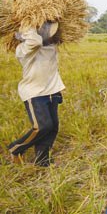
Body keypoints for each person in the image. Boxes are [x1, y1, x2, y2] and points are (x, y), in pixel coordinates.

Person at [8, 21, 63, 166]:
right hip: (34, 93)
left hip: (52, 91)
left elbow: (50, 37)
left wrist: (49, 23)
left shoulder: (50, 46)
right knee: (42, 126)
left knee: (52, 127)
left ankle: (42, 160)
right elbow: (35, 40)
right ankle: (15, 149)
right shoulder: (23, 49)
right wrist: (30, 21)